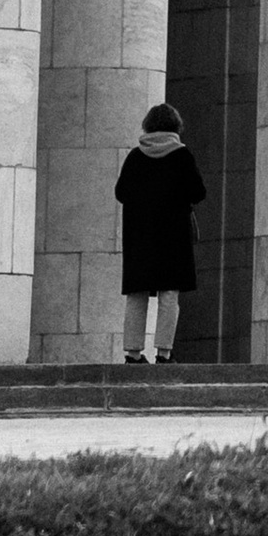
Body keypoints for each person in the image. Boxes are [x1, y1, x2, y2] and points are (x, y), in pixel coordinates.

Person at [115, 102, 207, 367]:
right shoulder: (182, 156)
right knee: (169, 295)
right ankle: (164, 354)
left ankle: (132, 354)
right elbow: (198, 192)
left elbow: (121, 193)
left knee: (137, 293)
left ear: (148, 125)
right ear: (175, 126)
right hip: (173, 236)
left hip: (140, 236)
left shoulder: (135, 156)